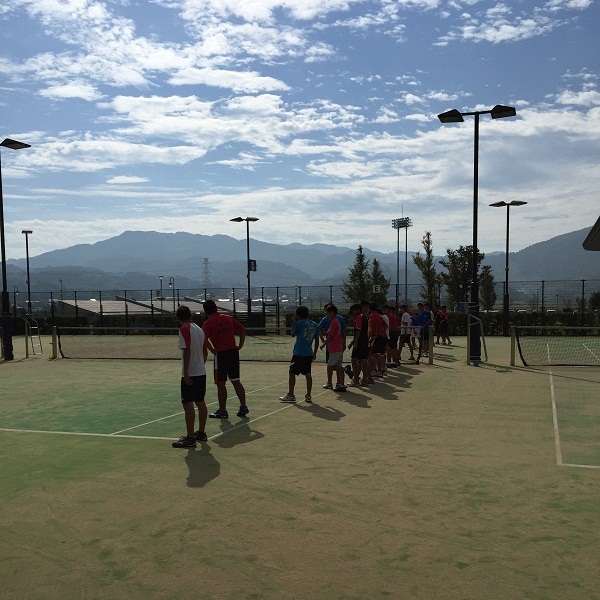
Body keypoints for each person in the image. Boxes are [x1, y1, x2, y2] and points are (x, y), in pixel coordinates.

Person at [202, 299, 248, 419]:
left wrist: (213, 351)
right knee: (236, 380)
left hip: (221, 354)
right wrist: (240, 346)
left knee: (221, 383)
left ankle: (223, 410)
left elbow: (204, 339)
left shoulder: (208, 323)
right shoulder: (228, 318)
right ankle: (243, 406)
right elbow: (242, 330)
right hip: (233, 353)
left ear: (205, 311)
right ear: (216, 307)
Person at [172, 305, 208, 448]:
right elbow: (205, 351)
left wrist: (186, 372)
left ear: (178, 318)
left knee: (188, 404)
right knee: (200, 401)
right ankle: (201, 433)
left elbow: (187, 351)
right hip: (201, 371)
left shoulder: (184, 329)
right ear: (190, 315)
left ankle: (190, 437)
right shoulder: (199, 329)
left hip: (191, 373)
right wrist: (200, 365)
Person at [279, 306, 319, 403]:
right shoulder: (315, 324)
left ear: (298, 315)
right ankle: (308, 395)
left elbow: (293, 334)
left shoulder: (299, 323)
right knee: (308, 374)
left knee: (292, 373)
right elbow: (317, 340)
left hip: (298, 353)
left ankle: (291, 395)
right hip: (308, 353)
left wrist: (293, 322)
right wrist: (314, 352)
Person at [318, 302, 347, 389]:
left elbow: (330, 336)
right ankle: (341, 384)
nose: (327, 315)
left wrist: (323, 344)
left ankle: (344, 370)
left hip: (334, 348)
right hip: (338, 347)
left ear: (332, 312)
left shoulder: (334, 322)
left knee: (330, 366)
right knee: (337, 365)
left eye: (327, 313)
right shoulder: (337, 320)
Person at [347, 301, 370, 386]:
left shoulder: (359, 317)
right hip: (364, 340)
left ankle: (356, 379)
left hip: (360, 341)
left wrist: (355, 342)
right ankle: (364, 379)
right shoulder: (364, 317)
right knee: (363, 360)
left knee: (354, 359)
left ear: (357, 310)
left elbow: (358, 331)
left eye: (353, 311)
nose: (353, 312)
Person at [368, 302, 388, 377]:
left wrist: (374, 336)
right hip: (383, 336)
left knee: (374, 354)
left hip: (377, 337)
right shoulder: (379, 316)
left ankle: (376, 370)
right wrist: (382, 331)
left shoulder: (372, 316)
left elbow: (374, 326)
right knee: (380, 354)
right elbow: (385, 325)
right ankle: (381, 370)